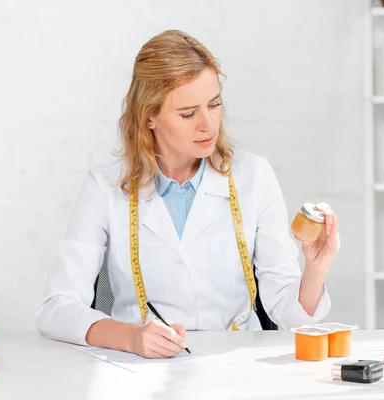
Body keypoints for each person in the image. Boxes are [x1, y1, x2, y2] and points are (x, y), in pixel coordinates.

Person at [36, 30, 340, 359]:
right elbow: (56, 308)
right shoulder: (105, 187)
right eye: (187, 113)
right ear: (149, 116)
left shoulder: (254, 176)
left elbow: (288, 314)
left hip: (237, 366)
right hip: (138, 367)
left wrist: (315, 268)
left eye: (214, 104)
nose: (208, 125)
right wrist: (132, 337)